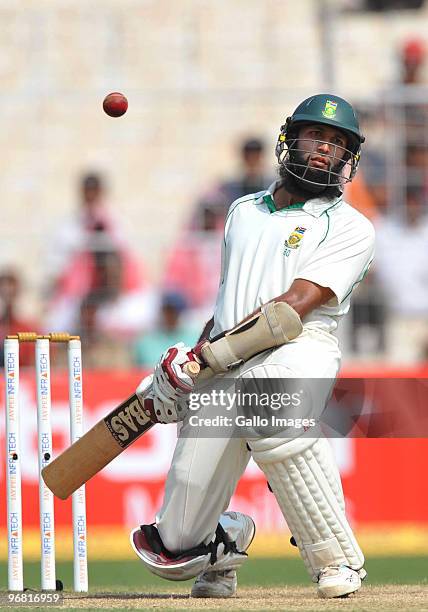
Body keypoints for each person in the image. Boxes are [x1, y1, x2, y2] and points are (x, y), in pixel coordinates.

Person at [130, 94, 375, 599]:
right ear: (289, 140)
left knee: (270, 403)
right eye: (316, 137)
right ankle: (226, 539)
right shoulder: (242, 211)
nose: (325, 150)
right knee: (173, 547)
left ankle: (336, 559)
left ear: (349, 158)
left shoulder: (350, 226)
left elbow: (291, 309)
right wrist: (184, 368)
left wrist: (211, 357)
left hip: (298, 348)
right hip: (224, 356)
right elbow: (229, 302)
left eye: (337, 143)